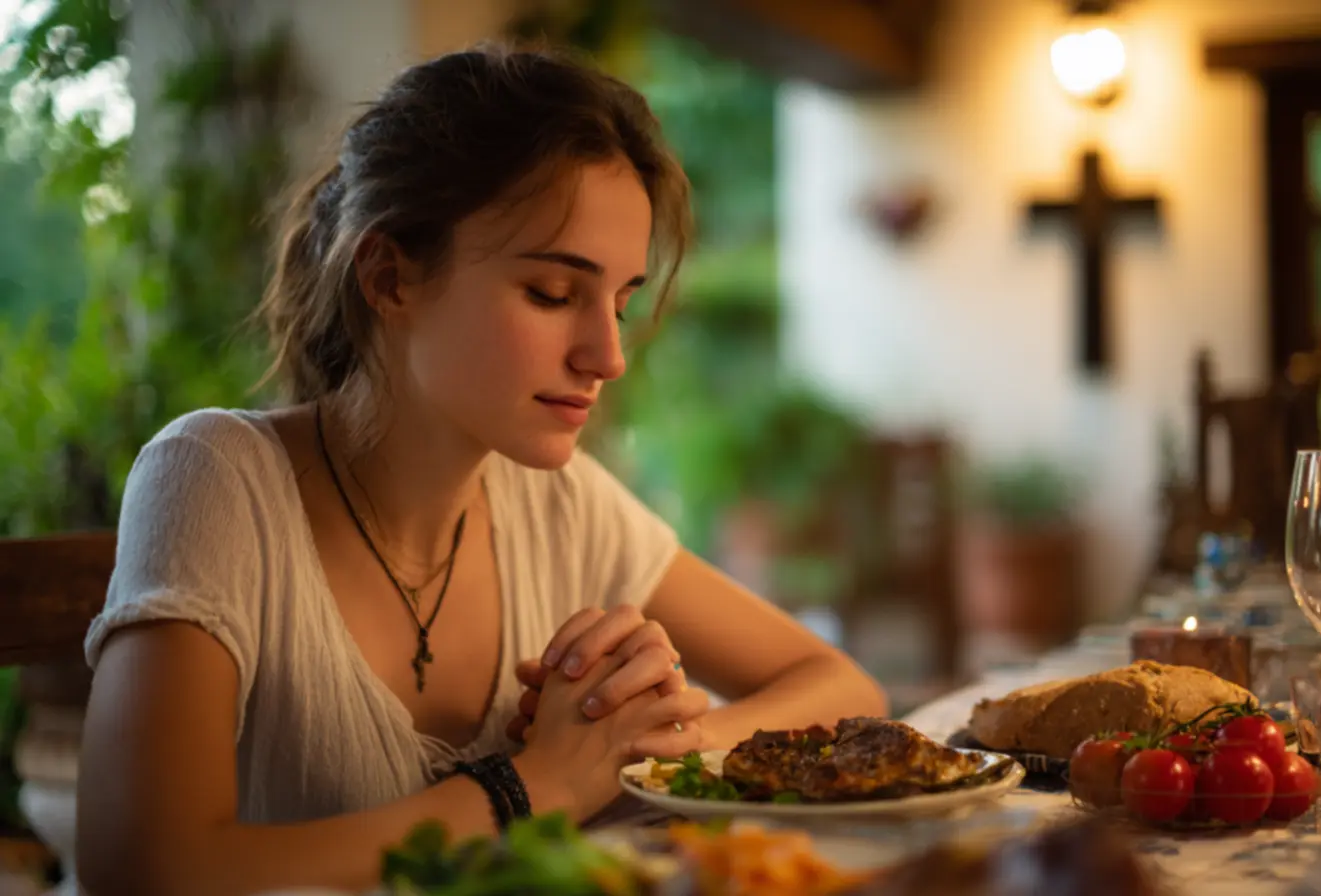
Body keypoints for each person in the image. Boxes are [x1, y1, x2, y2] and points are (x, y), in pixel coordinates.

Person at [74, 43, 887, 896]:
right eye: (551, 293)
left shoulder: (564, 506)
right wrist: (541, 784)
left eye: (620, 301)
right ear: (390, 277)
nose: (608, 356)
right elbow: (143, 870)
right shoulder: (215, 479)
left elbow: (843, 686)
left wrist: (651, 746)